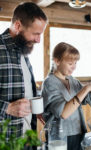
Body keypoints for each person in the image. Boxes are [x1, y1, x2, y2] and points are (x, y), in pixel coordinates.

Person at [41, 42, 91, 150]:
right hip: (60, 138)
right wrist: (87, 87)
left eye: (75, 63)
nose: (74, 67)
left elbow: (89, 99)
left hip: (78, 132)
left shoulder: (73, 81)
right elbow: (64, 113)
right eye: (70, 63)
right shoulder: (49, 83)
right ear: (57, 61)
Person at [0, 2, 47, 140]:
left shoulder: (23, 52)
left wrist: (35, 107)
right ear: (18, 25)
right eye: (35, 34)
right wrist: (7, 108)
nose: (38, 40)